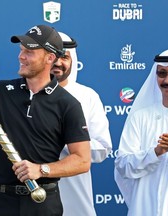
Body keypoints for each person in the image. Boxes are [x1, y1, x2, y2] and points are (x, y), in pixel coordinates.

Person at [0, 25, 91, 216]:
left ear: (50, 58)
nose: (21, 56)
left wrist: (41, 169)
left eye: (29, 52)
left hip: (41, 202)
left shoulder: (68, 104)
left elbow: (82, 160)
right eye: (21, 50)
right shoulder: (0, 91)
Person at [114, 48, 168, 216]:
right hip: (145, 209)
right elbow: (123, 166)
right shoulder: (140, 116)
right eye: (162, 74)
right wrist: (156, 152)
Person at [50, 32, 112, 216]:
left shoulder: (87, 97)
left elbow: (102, 149)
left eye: (64, 57)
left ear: (72, 60)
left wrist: (68, 140)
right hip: (30, 195)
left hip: (75, 195)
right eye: (53, 56)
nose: (58, 62)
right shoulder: (25, 95)